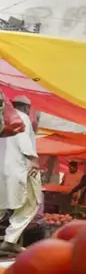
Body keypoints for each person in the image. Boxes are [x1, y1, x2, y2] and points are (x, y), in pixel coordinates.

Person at [0, 96, 41, 254]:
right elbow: (23, 140)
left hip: (3, 170)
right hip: (20, 167)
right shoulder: (21, 117)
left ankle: (10, 240)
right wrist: (33, 159)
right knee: (32, 203)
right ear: (26, 108)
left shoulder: (2, 117)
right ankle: (10, 240)